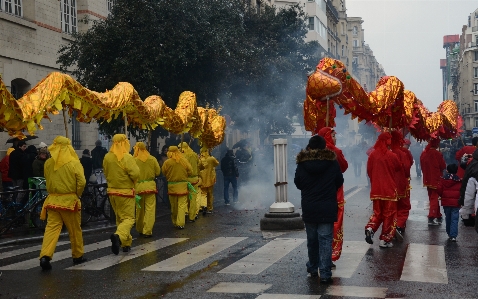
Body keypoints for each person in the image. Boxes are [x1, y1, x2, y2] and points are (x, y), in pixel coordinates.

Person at [294, 135, 343, 283]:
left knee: (312, 239)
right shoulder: (332, 163)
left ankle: (313, 267)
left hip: (309, 206)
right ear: (324, 147)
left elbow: (298, 183)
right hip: (327, 207)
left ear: (309, 147)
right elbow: (339, 181)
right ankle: (325, 273)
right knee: (326, 240)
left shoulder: (302, 164)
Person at [38, 136, 87, 270]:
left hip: (52, 201)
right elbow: (82, 182)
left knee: (51, 229)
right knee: (74, 230)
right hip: (69, 201)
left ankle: (45, 255)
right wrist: (77, 194)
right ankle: (77, 255)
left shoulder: (48, 163)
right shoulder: (74, 163)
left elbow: (47, 180)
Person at [103, 134, 140, 254]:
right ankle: (119, 236)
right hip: (125, 192)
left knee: (120, 218)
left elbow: (105, 172)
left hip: (112, 192)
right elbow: (135, 174)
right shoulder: (127, 157)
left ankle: (125, 243)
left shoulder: (107, 157)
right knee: (129, 218)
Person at [364, 132, 401, 248]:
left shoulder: (372, 155)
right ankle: (385, 238)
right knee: (389, 214)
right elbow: (398, 167)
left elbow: (369, 171)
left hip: (376, 189)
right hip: (389, 189)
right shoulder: (392, 155)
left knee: (377, 212)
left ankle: (371, 227)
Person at [317, 127, 348, 265]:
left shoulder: (312, 153)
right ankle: (331, 254)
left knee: (317, 225)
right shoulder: (335, 152)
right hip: (334, 194)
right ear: (328, 136)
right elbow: (344, 167)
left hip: (316, 195)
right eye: (333, 135)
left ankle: (318, 256)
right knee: (334, 224)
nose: (335, 139)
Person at [133, 142, 161, 237]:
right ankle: (147, 230)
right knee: (150, 209)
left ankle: (140, 228)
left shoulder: (134, 160)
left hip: (138, 187)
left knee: (139, 209)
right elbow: (158, 172)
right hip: (150, 187)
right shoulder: (152, 159)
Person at [162, 146, 193, 229]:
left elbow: (163, 172)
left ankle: (175, 221)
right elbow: (190, 171)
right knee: (182, 205)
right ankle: (181, 223)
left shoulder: (167, 162)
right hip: (182, 186)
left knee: (174, 205)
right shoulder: (184, 161)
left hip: (171, 186)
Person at [391, 131, 413, 239]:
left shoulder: (384, 151)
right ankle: (399, 225)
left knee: (390, 208)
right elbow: (407, 168)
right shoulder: (402, 153)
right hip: (400, 183)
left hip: (388, 185)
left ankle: (390, 228)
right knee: (404, 206)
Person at [420, 138, 446, 226]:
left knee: (432, 197)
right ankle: (431, 216)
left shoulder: (424, 153)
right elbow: (443, 166)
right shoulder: (437, 154)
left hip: (427, 178)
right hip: (436, 178)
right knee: (434, 198)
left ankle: (438, 215)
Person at [437, 164, 461, 242]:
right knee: (455, 218)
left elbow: (439, 189)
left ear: (447, 170)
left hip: (446, 202)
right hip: (456, 202)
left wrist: (442, 195)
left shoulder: (443, 180)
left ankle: (448, 232)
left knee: (448, 217)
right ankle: (453, 235)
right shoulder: (459, 180)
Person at [179, 142, 200, 222]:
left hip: (185, 179)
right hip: (194, 179)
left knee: (185, 198)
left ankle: (185, 213)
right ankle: (192, 216)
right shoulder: (194, 154)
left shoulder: (182, 156)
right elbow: (198, 164)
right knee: (193, 198)